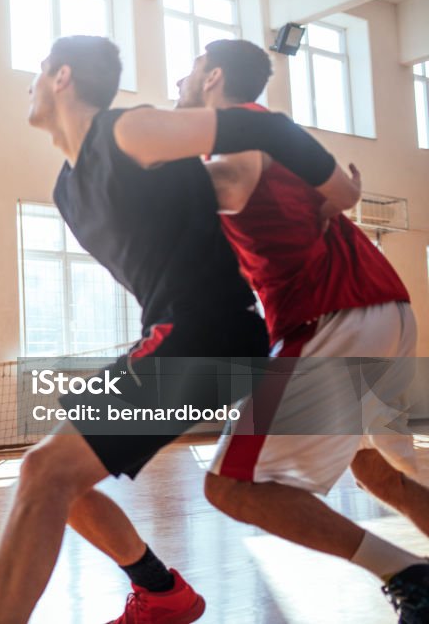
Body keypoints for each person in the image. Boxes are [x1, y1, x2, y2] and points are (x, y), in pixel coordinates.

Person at [0, 35, 354, 624]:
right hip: (179, 336)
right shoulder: (66, 187)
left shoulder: (128, 130)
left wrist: (341, 190)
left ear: (62, 78)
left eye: (37, 70)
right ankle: (160, 592)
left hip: (207, 334)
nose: (29, 83)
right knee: (56, 477)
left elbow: (267, 129)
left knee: (44, 472)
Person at [175, 38, 429, 623]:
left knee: (231, 488)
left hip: (332, 317)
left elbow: (229, 184)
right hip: (386, 306)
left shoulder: (233, 133)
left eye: (189, 70)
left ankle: (410, 573)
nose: (181, 83)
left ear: (213, 77)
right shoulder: (274, 134)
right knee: (379, 470)